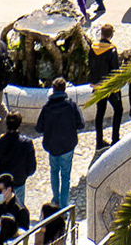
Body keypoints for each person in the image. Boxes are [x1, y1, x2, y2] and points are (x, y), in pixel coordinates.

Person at [34, 81, 80, 214]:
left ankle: (55, 199)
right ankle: (64, 206)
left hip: (52, 146)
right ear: (64, 89)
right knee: (65, 176)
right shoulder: (71, 105)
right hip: (67, 146)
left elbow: (39, 128)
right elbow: (80, 123)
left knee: (54, 171)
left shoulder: (47, 107)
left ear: (53, 90)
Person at [0, 119, 33, 211]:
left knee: (0, 209)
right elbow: (32, 166)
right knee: (18, 209)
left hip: (3, 183)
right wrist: (25, 174)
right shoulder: (26, 143)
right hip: (19, 180)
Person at [87, 26, 122, 150]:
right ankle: (115, 138)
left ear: (101, 34)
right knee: (118, 110)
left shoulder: (93, 48)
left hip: (97, 86)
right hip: (109, 88)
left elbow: (90, 65)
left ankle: (99, 141)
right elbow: (115, 70)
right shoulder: (112, 50)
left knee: (100, 113)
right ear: (111, 35)